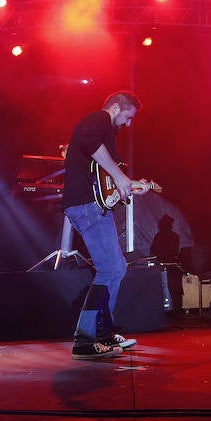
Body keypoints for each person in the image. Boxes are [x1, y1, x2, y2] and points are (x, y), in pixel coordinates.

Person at [62, 90, 147, 359]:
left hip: (94, 205)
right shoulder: (99, 118)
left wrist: (128, 185)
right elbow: (88, 141)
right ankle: (87, 339)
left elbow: (101, 178)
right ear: (115, 107)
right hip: (87, 207)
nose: (129, 124)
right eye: (128, 116)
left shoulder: (107, 138)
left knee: (116, 267)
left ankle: (105, 331)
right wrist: (121, 176)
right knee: (110, 268)